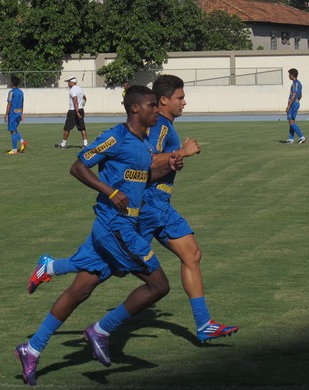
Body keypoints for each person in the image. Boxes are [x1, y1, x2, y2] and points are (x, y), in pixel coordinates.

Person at [28, 75, 239, 343]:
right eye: (180, 98)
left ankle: (203, 322)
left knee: (192, 254)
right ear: (163, 101)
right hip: (146, 207)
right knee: (94, 276)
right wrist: (181, 154)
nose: (184, 102)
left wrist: (173, 162)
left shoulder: (161, 126)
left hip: (161, 207)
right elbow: (147, 162)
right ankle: (55, 273)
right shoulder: (159, 127)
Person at [16, 85, 183, 386]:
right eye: (151, 106)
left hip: (124, 227)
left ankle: (32, 348)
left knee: (79, 292)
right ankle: (101, 330)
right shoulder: (115, 137)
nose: (156, 111)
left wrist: (169, 166)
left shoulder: (143, 142)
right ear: (135, 109)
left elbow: (140, 179)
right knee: (158, 285)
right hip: (114, 227)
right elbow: (78, 166)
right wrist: (109, 191)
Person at [55, 76, 88, 149]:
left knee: (67, 128)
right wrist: (82, 105)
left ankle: (63, 144)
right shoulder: (80, 89)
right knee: (82, 127)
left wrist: (77, 111)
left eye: (68, 82)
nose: (68, 84)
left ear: (72, 82)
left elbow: (75, 100)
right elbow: (85, 98)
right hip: (81, 109)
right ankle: (85, 144)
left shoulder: (72, 90)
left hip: (73, 110)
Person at [4, 75, 27, 154]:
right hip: (19, 112)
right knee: (14, 129)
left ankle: (14, 150)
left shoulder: (11, 92)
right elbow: (22, 103)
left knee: (12, 131)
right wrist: (21, 113)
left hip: (13, 114)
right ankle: (22, 141)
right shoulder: (21, 92)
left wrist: (6, 114)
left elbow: (9, 104)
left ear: (11, 83)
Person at [285, 68, 306, 144]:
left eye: (289, 74)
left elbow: (294, 94)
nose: (288, 76)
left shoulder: (295, 83)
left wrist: (289, 105)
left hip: (293, 104)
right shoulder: (298, 83)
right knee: (292, 121)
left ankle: (302, 137)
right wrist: (298, 100)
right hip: (295, 103)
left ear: (292, 75)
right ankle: (291, 139)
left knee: (291, 122)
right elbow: (300, 95)